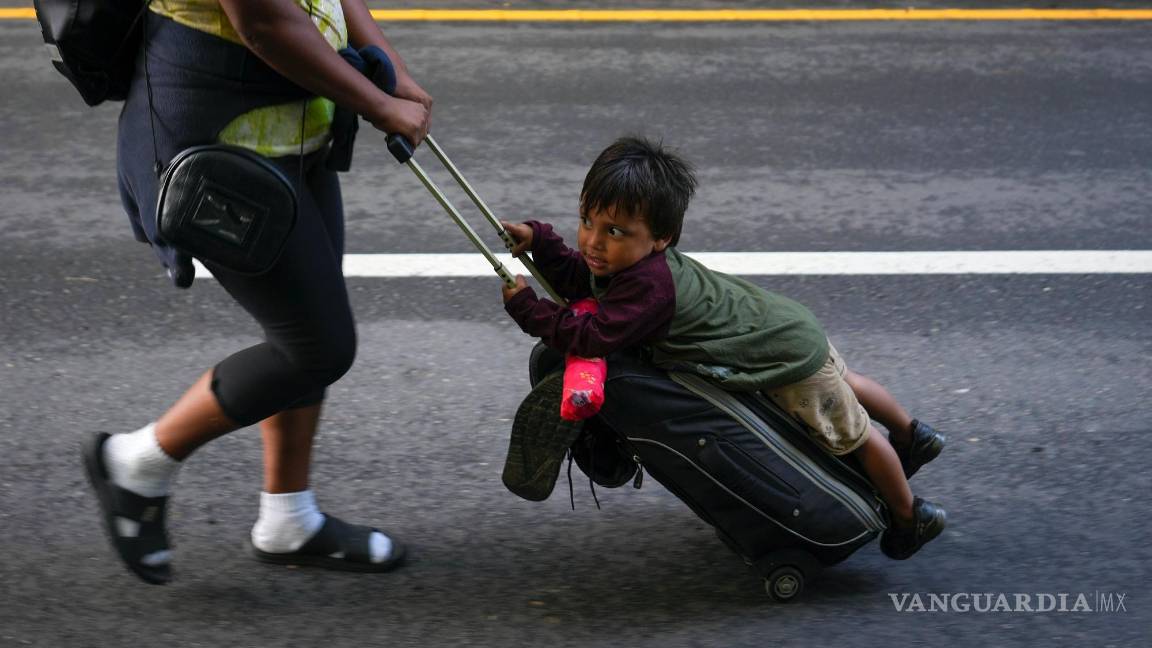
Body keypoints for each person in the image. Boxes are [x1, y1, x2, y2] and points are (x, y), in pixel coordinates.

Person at [82, 0, 432, 585]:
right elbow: (264, 21)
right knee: (316, 347)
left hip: (298, 119)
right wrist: (377, 101)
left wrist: (392, 73)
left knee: (305, 330)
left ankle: (287, 518)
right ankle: (134, 464)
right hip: (219, 142)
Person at [500, 136, 947, 560]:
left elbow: (591, 335)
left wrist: (528, 309)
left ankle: (910, 517)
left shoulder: (646, 288)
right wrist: (541, 242)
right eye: (586, 221)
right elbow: (585, 276)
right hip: (782, 326)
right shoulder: (633, 264)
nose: (594, 241)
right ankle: (912, 433)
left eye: (614, 231)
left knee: (856, 436)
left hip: (783, 358)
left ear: (661, 238)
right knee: (847, 382)